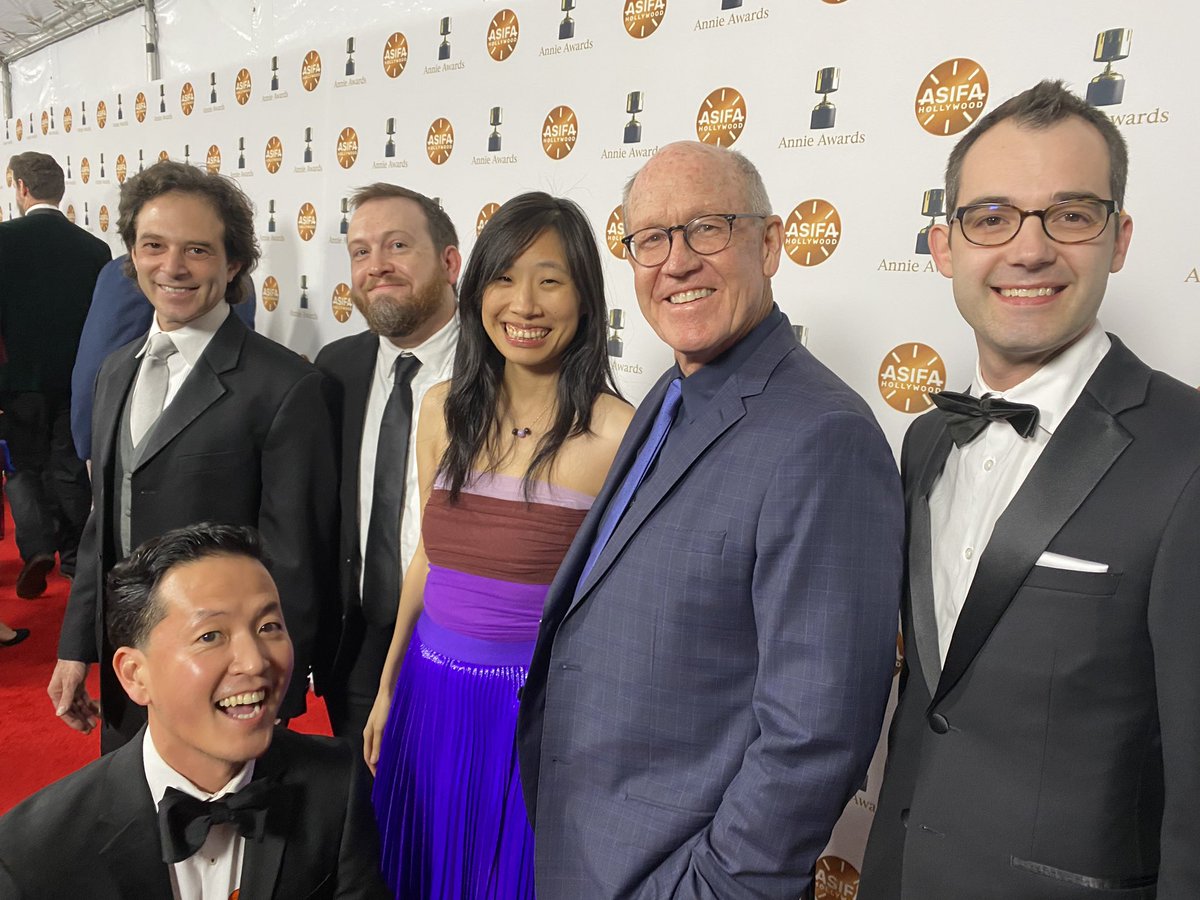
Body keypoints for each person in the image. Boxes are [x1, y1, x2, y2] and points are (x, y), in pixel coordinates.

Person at [516, 141, 905, 898]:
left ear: (771, 243)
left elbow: (816, 733)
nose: (677, 261)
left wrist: (713, 889)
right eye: (651, 238)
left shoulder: (825, 436)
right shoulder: (667, 393)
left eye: (708, 228)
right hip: (584, 851)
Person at [859, 80, 1200, 899]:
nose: (1029, 249)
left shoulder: (1187, 451)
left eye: (1071, 215)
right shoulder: (924, 441)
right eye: (992, 217)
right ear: (945, 247)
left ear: (1118, 238)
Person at [364, 191, 632, 897]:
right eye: (505, 278)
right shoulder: (441, 408)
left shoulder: (617, 433)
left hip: (535, 718)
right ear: (478, 289)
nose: (525, 304)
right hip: (426, 696)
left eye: (551, 280)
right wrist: (388, 687)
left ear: (584, 298)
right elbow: (428, 558)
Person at [49, 160, 337, 754]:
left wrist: (274, 691)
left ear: (233, 265)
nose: (172, 267)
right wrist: (77, 647)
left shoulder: (284, 386)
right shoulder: (114, 371)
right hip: (131, 670)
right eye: (153, 245)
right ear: (132, 255)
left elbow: (294, 557)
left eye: (197, 250)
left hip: (228, 683)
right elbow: (105, 522)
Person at [0, 522, 389, 899]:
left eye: (268, 627)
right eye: (210, 635)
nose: (255, 662)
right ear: (135, 675)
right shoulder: (32, 856)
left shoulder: (338, 785)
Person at [314, 184, 461, 758]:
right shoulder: (336, 369)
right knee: (359, 805)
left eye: (397, 245)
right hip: (355, 646)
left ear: (449, 263)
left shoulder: (503, 368)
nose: (376, 266)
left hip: (461, 647)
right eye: (360, 251)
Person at [0, 151, 110, 596]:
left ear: (21, 188)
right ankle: (76, 557)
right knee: (68, 468)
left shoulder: (3, 240)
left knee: (23, 468)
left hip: (16, 380)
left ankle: (37, 548)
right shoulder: (95, 249)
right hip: (76, 380)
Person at [70, 254, 257, 462]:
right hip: (212, 448)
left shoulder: (128, 272)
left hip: (191, 451)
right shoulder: (237, 275)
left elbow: (97, 362)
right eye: (154, 245)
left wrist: (91, 449)